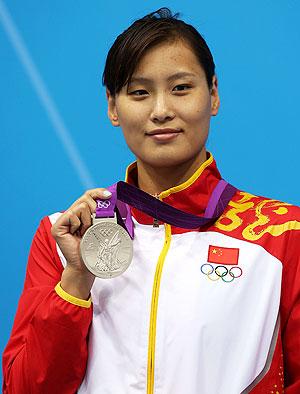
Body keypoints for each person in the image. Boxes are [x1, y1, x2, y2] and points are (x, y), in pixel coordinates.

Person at [2, 7, 300, 394]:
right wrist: (77, 278)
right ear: (112, 106)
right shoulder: (63, 238)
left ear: (213, 95)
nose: (161, 111)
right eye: (139, 93)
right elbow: (25, 388)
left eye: (181, 88)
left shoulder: (283, 235)